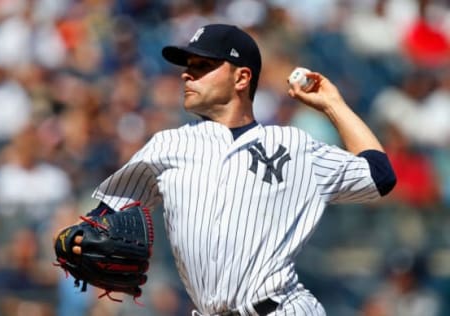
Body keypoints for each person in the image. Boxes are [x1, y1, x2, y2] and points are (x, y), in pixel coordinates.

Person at [60, 24, 396, 316]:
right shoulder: (167, 145)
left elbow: (379, 175)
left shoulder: (294, 145)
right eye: (188, 65)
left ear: (242, 77)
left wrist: (333, 106)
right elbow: (103, 218)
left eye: (203, 65)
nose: (187, 73)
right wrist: (74, 239)